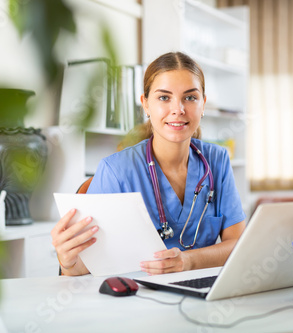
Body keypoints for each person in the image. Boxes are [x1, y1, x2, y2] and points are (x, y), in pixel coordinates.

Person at [51, 52, 246, 276]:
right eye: (164, 97)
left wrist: (188, 261)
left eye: (190, 97)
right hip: (138, 300)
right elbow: (85, 267)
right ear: (145, 104)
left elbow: (238, 246)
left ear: (203, 104)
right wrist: (67, 261)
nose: (178, 109)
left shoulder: (217, 161)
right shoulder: (116, 171)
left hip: (204, 294)